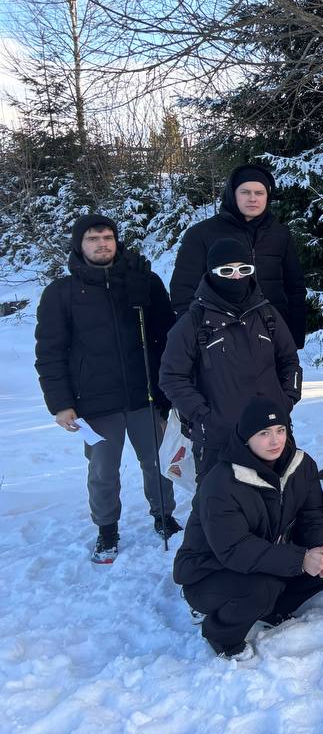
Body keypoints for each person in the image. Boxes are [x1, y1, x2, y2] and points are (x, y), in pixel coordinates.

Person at [35, 214, 179, 564]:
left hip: (143, 394)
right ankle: (107, 529)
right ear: (79, 245)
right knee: (103, 470)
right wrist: (61, 404)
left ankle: (164, 517)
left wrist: (170, 389)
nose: (102, 243)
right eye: (93, 238)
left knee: (157, 461)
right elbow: (50, 352)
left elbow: (168, 336)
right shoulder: (61, 293)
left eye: (108, 237)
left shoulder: (142, 281)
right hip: (95, 403)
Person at [173, 398, 323, 660]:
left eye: (280, 431)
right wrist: (300, 560)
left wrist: (321, 550)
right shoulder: (221, 483)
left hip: (266, 555)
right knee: (264, 587)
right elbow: (235, 549)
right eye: (263, 433)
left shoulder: (302, 466)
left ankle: (271, 612)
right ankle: (221, 634)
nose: (275, 441)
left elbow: (313, 516)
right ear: (246, 438)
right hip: (208, 572)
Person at [159, 237, 302, 477]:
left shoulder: (267, 314)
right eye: (227, 270)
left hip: (271, 431)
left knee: (282, 498)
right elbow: (172, 377)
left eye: (244, 269)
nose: (236, 277)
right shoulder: (193, 322)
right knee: (217, 506)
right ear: (212, 272)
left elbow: (289, 361)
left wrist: (287, 400)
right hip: (220, 437)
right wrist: (204, 417)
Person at [170, 163, 308, 348]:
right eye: (245, 192)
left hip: (272, 333)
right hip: (220, 339)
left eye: (259, 193)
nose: (252, 198)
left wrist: (294, 336)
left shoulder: (280, 233)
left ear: (268, 196)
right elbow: (183, 290)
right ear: (232, 194)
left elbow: (295, 287)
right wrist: (195, 334)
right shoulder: (202, 233)